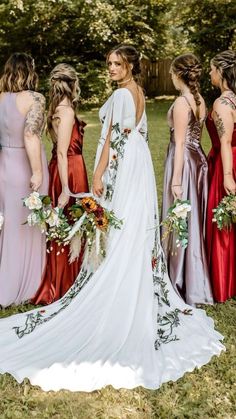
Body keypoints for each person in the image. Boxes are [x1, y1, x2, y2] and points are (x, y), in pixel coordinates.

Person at [0, 45, 224, 392]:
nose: (111, 68)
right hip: (140, 164)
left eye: (117, 64)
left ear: (130, 65)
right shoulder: (139, 93)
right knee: (130, 227)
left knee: (116, 224)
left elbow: (110, 139)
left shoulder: (122, 94)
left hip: (124, 161)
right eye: (109, 63)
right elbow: (141, 135)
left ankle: (116, 285)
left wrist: (100, 174)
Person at [31, 63, 89, 305]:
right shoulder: (64, 112)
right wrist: (66, 189)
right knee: (68, 221)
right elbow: (63, 152)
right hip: (69, 171)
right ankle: (64, 282)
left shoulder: (59, 109)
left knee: (67, 223)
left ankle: (70, 276)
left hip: (65, 167)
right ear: (73, 84)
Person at [161, 53, 213, 306]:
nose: (170, 77)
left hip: (184, 162)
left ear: (178, 74)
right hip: (197, 159)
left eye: (171, 73)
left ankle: (182, 278)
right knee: (192, 219)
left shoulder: (183, 102)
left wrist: (177, 180)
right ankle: (189, 273)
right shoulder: (200, 99)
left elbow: (180, 142)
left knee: (181, 217)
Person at [0, 52, 49, 307]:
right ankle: (26, 286)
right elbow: (31, 135)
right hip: (24, 165)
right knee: (26, 226)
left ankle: (4, 284)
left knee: (6, 225)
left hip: (4, 165)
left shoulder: (0, 98)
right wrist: (38, 171)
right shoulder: (34, 98)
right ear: (29, 70)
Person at [206, 50, 236, 302]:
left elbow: (225, 142)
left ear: (222, 72)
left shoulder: (222, 103)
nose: (210, 73)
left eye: (212, 69)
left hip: (226, 164)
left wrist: (227, 175)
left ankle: (225, 282)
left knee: (223, 224)